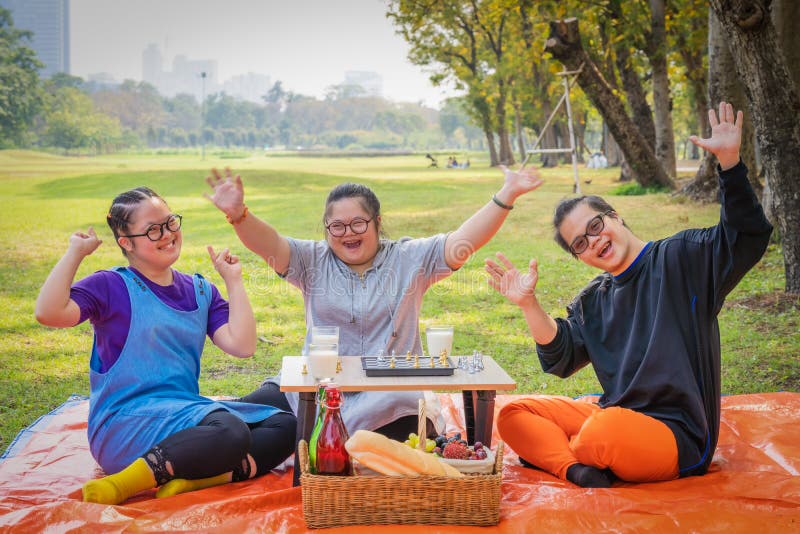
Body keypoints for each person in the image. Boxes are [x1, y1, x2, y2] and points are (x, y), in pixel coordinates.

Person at [485, 102, 772, 488]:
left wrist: (730, 164)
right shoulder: (592, 301)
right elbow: (561, 358)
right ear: (580, 256)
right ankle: (575, 469)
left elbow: (747, 238)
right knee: (513, 415)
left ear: (616, 216)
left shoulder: (681, 259)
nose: (595, 241)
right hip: (612, 417)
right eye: (580, 243)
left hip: (675, 436)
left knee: (602, 433)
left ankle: (568, 453)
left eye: (596, 225)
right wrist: (528, 304)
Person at [205, 165, 543, 439]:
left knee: (392, 437)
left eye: (357, 223)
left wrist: (507, 193)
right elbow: (271, 244)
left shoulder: (411, 258)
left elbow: (462, 241)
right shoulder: (311, 259)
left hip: (390, 394)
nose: (347, 233)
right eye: (336, 226)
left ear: (377, 223)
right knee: (236, 417)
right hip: (315, 391)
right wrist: (239, 215)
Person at [34, 187, 296, 505]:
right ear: (126, 242)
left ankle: (197, 481)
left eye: (170, 222)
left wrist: (234, 281)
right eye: (153, 230)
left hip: (180, 415)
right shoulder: (110, 286)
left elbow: (242, 345)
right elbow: (48, 313)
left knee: (287, 422)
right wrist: (75, 252)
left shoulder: (200, 290)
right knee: (231, 431)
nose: (168, 234)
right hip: (124, 427)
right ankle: (121, 485)